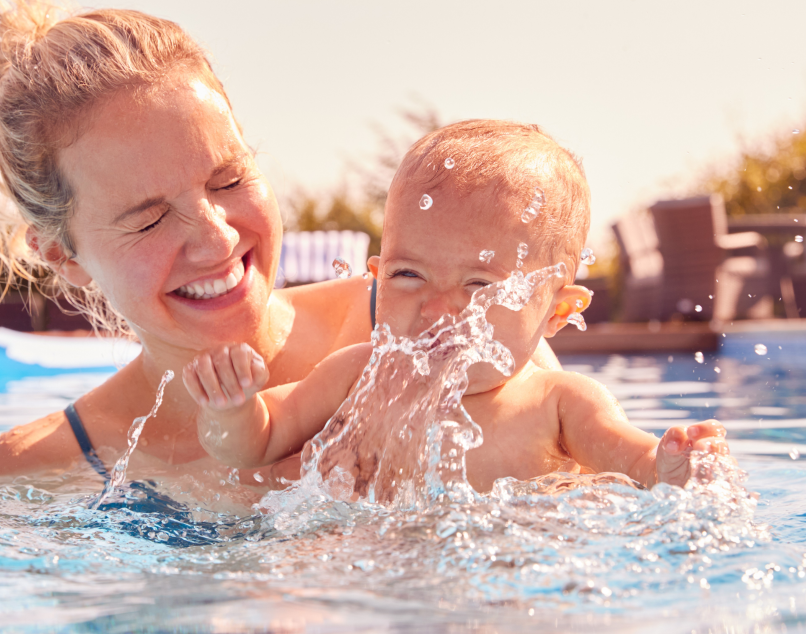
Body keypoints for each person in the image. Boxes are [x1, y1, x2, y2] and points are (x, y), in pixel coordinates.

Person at [0, 2, 563, 501]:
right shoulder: (40, 468)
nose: (217, 238)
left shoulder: (428, 324)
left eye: (228, 180)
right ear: (63, 257)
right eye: (151, 219)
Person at [183, 120, 732, 494]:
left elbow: (636, 463)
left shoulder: (560, 402)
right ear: (374, 276)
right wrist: (230, 410)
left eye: (478, 285)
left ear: (556, 311)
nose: (438, 310)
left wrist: (673, 465)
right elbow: (256, 443)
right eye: (408, 274)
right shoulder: (358, 375)